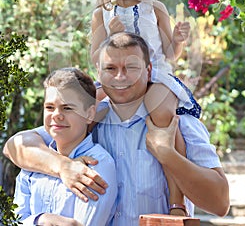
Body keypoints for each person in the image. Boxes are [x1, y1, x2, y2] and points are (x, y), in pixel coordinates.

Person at [4, 32, 229, 226]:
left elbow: (220, 203)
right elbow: (15, 147)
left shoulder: (178, 123)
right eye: (111, 68)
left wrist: (167, 154)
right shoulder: (87, 119)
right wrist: (64, 167)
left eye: (131, 67)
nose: (120, 77)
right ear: (99, 73)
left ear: (149, 70)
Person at [91, 0, 201, 209]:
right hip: (119, 77)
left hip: (156, 76)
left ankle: (177, 200)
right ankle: (82, 176)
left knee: (163, 113)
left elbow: (170, 55)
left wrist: (178, 39)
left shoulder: (156, 9)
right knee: (83, 105)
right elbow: (96, 58)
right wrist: (112, 38)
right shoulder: (102, 14)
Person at [12, 67, 117, 226]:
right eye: (49, 107)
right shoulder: (33, 163)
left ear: (89, 114)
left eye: (67, 108)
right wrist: (42, 219)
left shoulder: (97, 165)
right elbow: (13, 221)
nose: (56, 115)